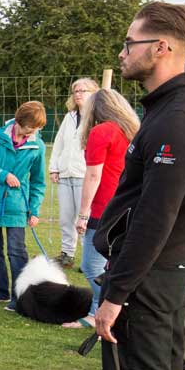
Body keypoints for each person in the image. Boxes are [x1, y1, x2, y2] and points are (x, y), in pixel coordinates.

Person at [76, 3, 185, 370]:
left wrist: (115, 294)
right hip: (169, 271)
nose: (123, 53)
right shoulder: (166, 109)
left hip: (154, 274)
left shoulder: (176, 117)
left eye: (130, 44)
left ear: (161, 49)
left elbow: (155, 217)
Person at [62, 89, 140, 330]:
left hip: (104, 207)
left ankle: (106, 310)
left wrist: (83, 213)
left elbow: (94, 174)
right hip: (127, 204)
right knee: (114, 262)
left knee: (92, 265)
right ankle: (102, 310)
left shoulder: (101, 131)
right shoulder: (131, 131)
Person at [0, 101, 47, 312]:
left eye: (36, 130)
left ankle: (19, 295)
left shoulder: (37, 146)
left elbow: (38, 182)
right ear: (18, 122)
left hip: (17, 205)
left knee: (17, 251)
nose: (31, 133)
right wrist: (3, 175)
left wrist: (34, 210)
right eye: (29, 129)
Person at [49, 79, 97, 268]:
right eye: (75, 91)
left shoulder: (97, 117)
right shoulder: (70, 117)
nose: (78, 94)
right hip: (65, 175)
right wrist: (54, 167)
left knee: (84, 218)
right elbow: (59, 143)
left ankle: (89, 258)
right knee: (66, 218)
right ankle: (67, 254)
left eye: (82, 91)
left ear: (93, 92)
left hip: (84, 175)